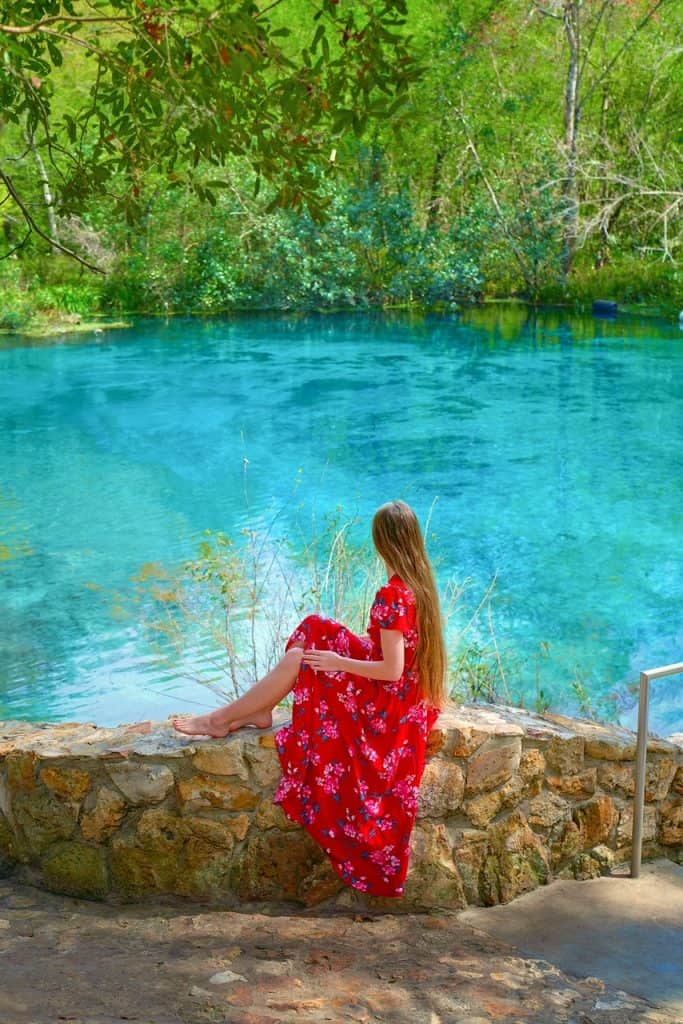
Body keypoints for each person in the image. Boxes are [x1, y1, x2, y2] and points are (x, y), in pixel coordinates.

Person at [172, 500, 447, 897]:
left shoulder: (394, 594)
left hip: (387, 706)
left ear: (382, 543)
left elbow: (392, 670)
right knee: (314, 628)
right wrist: (342, 657)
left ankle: (226, 718)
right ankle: (253, 710)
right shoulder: (418, 585)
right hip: (403, 699)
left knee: (308, 657)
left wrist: (340, 661)